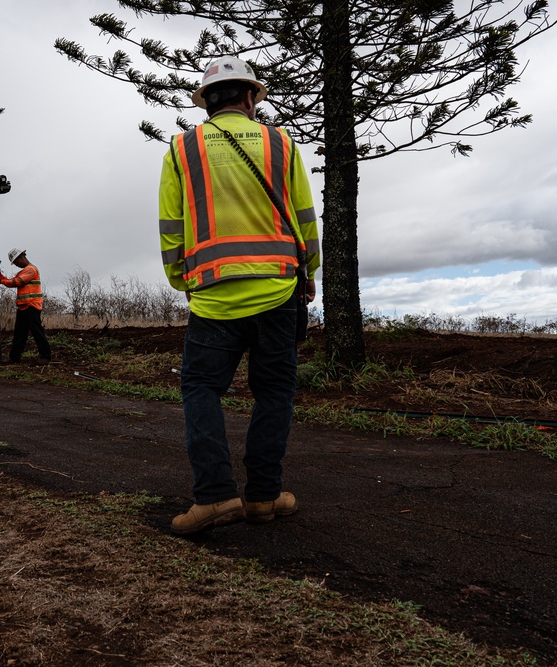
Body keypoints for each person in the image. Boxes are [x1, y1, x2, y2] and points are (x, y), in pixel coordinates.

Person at [158, 55, 320, 535]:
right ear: (250, 96)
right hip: (278, 289)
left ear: (207, 101)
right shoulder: (281, 144)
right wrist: (307, 270)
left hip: (212, 297)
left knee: (201, 388)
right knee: (274, 391)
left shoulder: (181, 149)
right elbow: (305, 217)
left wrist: (181, 279)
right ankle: (265, 497)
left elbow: (172, 228)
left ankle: (214, 498)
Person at [0, 247, 52, 365]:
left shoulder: (31, 269)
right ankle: (14, 357)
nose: (16, 265)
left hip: (32, 306)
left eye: (15, 262)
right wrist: (0, 276)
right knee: (20, 333)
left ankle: (45, 357)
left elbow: (16, 282)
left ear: (21, 258)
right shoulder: (24, 271)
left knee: (37, 332)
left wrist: (1, 280)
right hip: (23, 306)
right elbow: (11, 282)